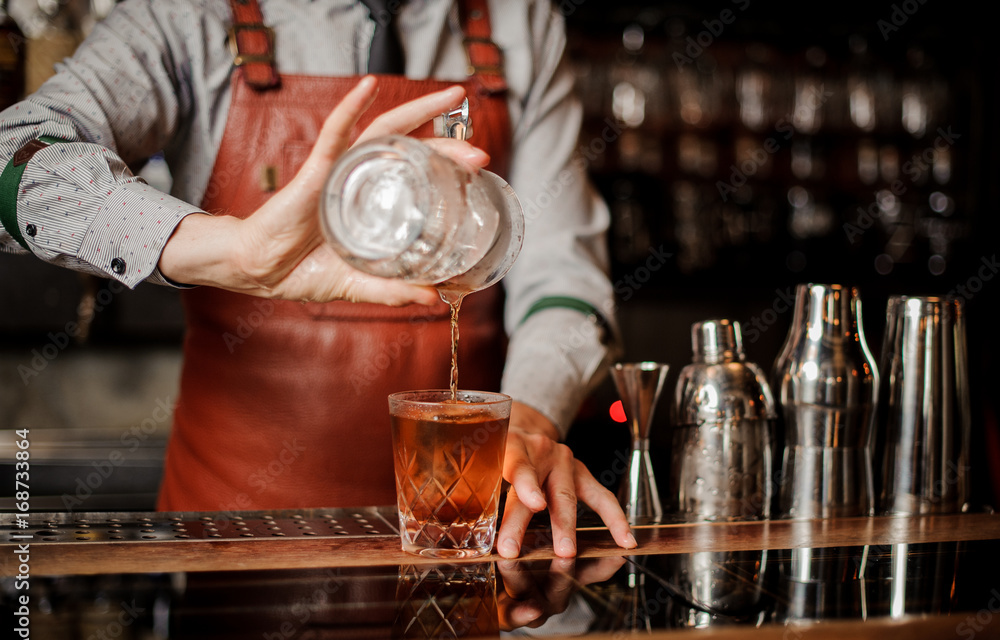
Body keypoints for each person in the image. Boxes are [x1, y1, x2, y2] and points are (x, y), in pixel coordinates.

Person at [0, 0, 634, 558]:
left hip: (464, 544)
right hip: (232, 544)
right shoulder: (188, 12)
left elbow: (564, 275)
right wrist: (228, 250)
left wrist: (526, 421)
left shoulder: (520, 17)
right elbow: (13, 155)